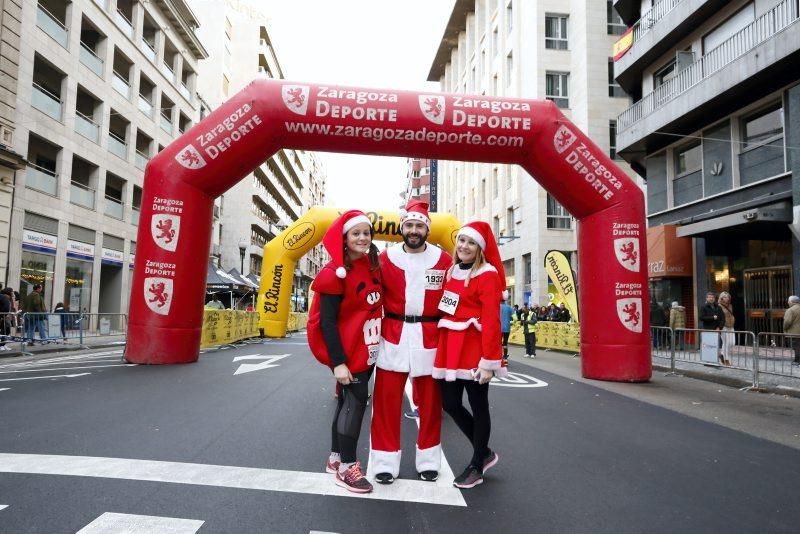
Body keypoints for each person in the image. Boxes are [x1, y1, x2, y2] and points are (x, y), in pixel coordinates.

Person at [370, 200, 452, 485]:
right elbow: (369, 295)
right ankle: (384, 462)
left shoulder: (444, 260)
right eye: (410, 225)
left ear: (427, 229)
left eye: (419, 225)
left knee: (431, 405)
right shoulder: (385, 258)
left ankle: (429, 461)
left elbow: (453, 300)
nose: (414, 230)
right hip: (393, 333)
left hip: (430, 335)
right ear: (402, 228)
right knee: (385, 403)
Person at [306, 210, 382, 494]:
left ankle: (335, 458)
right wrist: (338, 362)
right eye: (356, 233)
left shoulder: (369, 264)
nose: (363, 238)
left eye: (367, 233)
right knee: (355, 402)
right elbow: (326, 322)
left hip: (368, 347)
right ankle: (348, 467)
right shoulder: (333, 273)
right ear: (345, 238)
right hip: (348, 352)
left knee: (346, 402)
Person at [433, 221, 506, 489]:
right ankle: (484, 451)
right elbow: (447, 307)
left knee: (479, 405)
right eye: (461, 240)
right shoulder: (451, 271)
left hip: (475, 350)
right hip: (451, 347)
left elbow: (491, 320)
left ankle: (477, 464)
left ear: (480, 249)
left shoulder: (488, 275)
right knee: (450, 403)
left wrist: (489, 363)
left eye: (471, 242)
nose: (464, 246)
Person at [717, 292, 735, 366]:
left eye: (727, 297)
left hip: (731, 326)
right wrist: (719, 327)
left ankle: (721, 354)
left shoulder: (730, 305)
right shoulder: (719, 306)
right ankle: (726, 359)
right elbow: (719, 317)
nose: (726, 298)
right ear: (721, 298)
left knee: (732, 343)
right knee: (726, 342)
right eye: (724, 297)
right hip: (723, 326)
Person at [782, 295, 800, 366]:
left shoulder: (790, 310)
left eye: (789, 301)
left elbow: (787, 322)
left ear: (792, 302)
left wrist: (785, 329)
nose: (788, 302)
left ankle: (797, 361)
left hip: (795, 332)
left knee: (796, 347)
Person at [500, 297, 514, 366]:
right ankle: (505, 359)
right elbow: (515, 318)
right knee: (505, 343)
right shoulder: (509, 307)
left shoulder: (496, 307)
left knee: (498, 343)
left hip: (498, 328)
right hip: (507, 328)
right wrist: (511, 322)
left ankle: (498, 358)